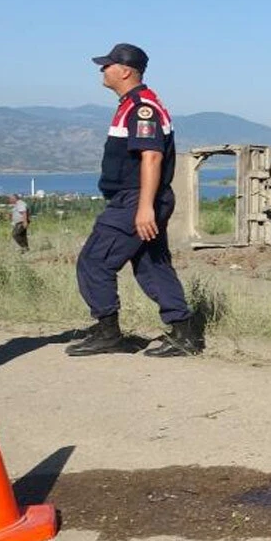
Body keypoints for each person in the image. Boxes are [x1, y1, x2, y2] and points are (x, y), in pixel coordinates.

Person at [65, 43, 204, 358]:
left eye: (107, 65)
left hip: (135, 199)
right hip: (140, 197)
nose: (102, 70)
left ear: (125, 70)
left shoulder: (143, 107)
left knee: (95, 260)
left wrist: (144, 207)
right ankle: (184, 334)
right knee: (151, 265)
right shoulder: (133, 104)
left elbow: (151, 157)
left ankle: (108, 332)